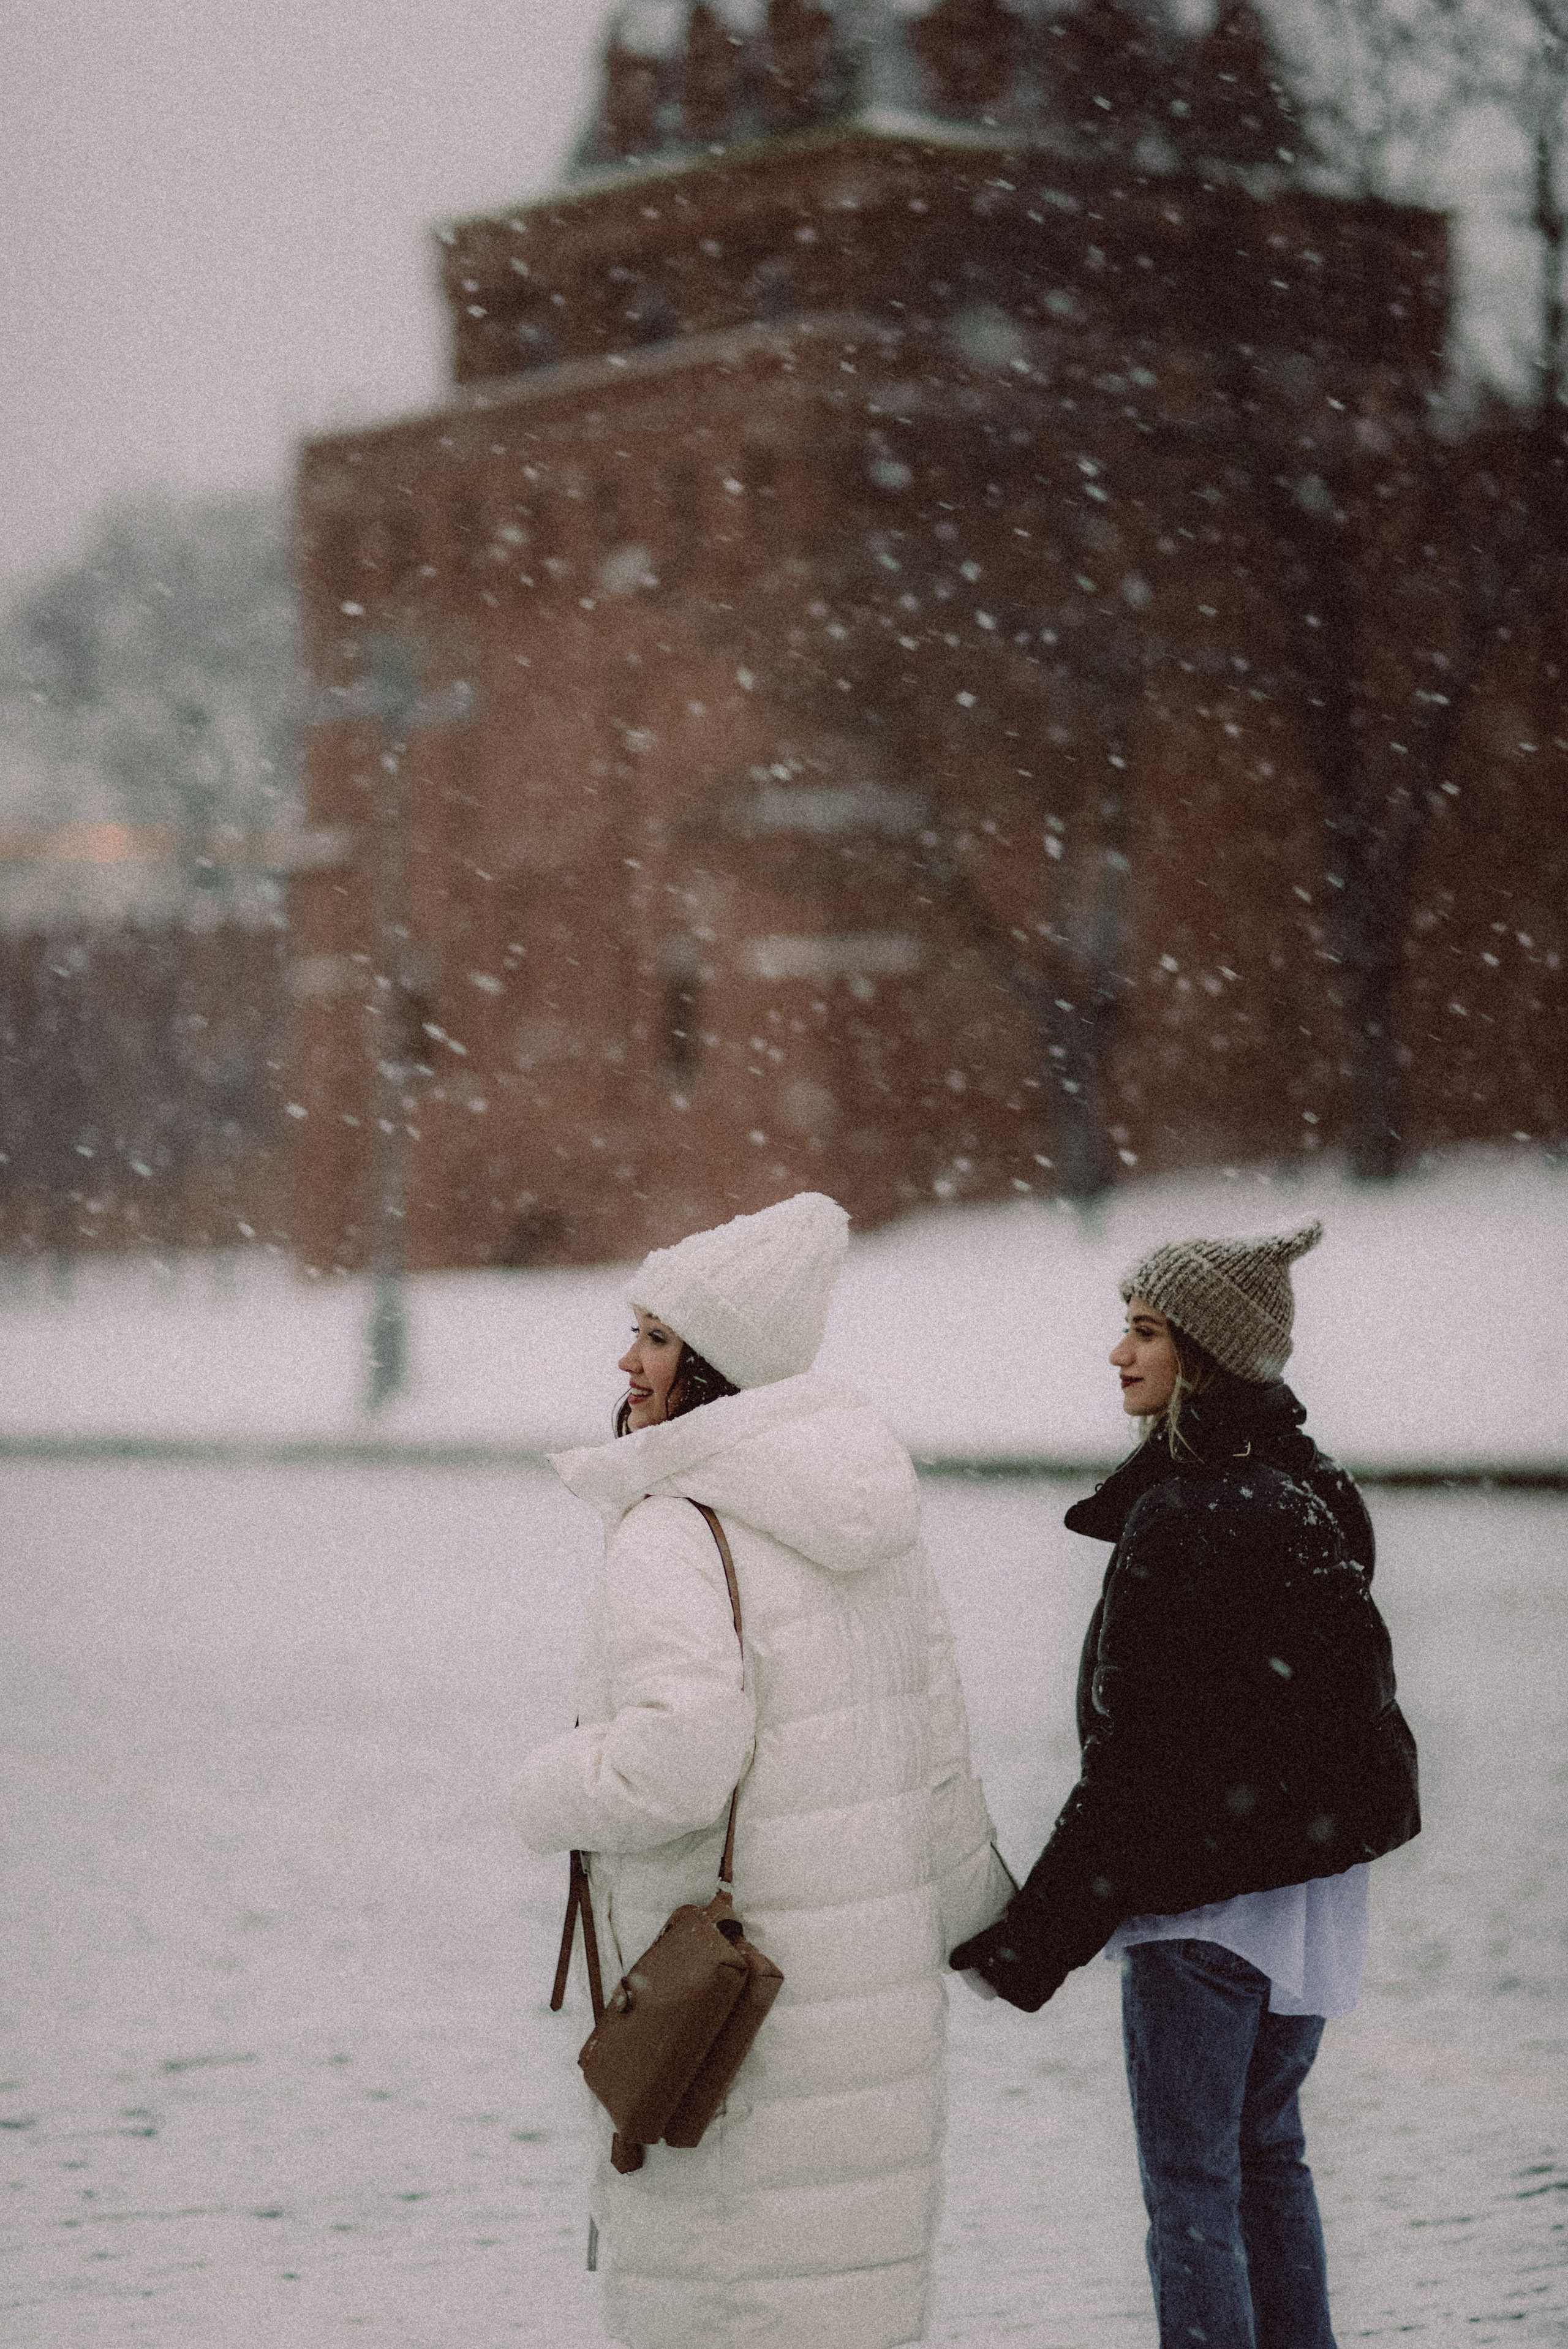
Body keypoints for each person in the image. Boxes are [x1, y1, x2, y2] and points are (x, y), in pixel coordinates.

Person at [512, 1190, 1012, 2349]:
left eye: (656, 1337)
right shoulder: (879, 1528)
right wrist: (996, 1934)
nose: (626, 1360)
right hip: (870, 2031)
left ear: (716, 1365)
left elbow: (676, 1764)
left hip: (731, 2033)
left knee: (728, 2308)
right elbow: (940, 1770)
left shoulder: (675, 1525)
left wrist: (546, 1787)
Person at [951, 1218, 1420, 2349]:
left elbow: (1138, 1761)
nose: (1120, 1352)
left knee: (1190, 2184)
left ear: (1203, 1358)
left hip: (1207, 1899)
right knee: (1267, 2153)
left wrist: (1031, 1938)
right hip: (1307, 1895)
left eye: (1147, 1330)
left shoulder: (1181, 1514)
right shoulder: (1310, 1488)